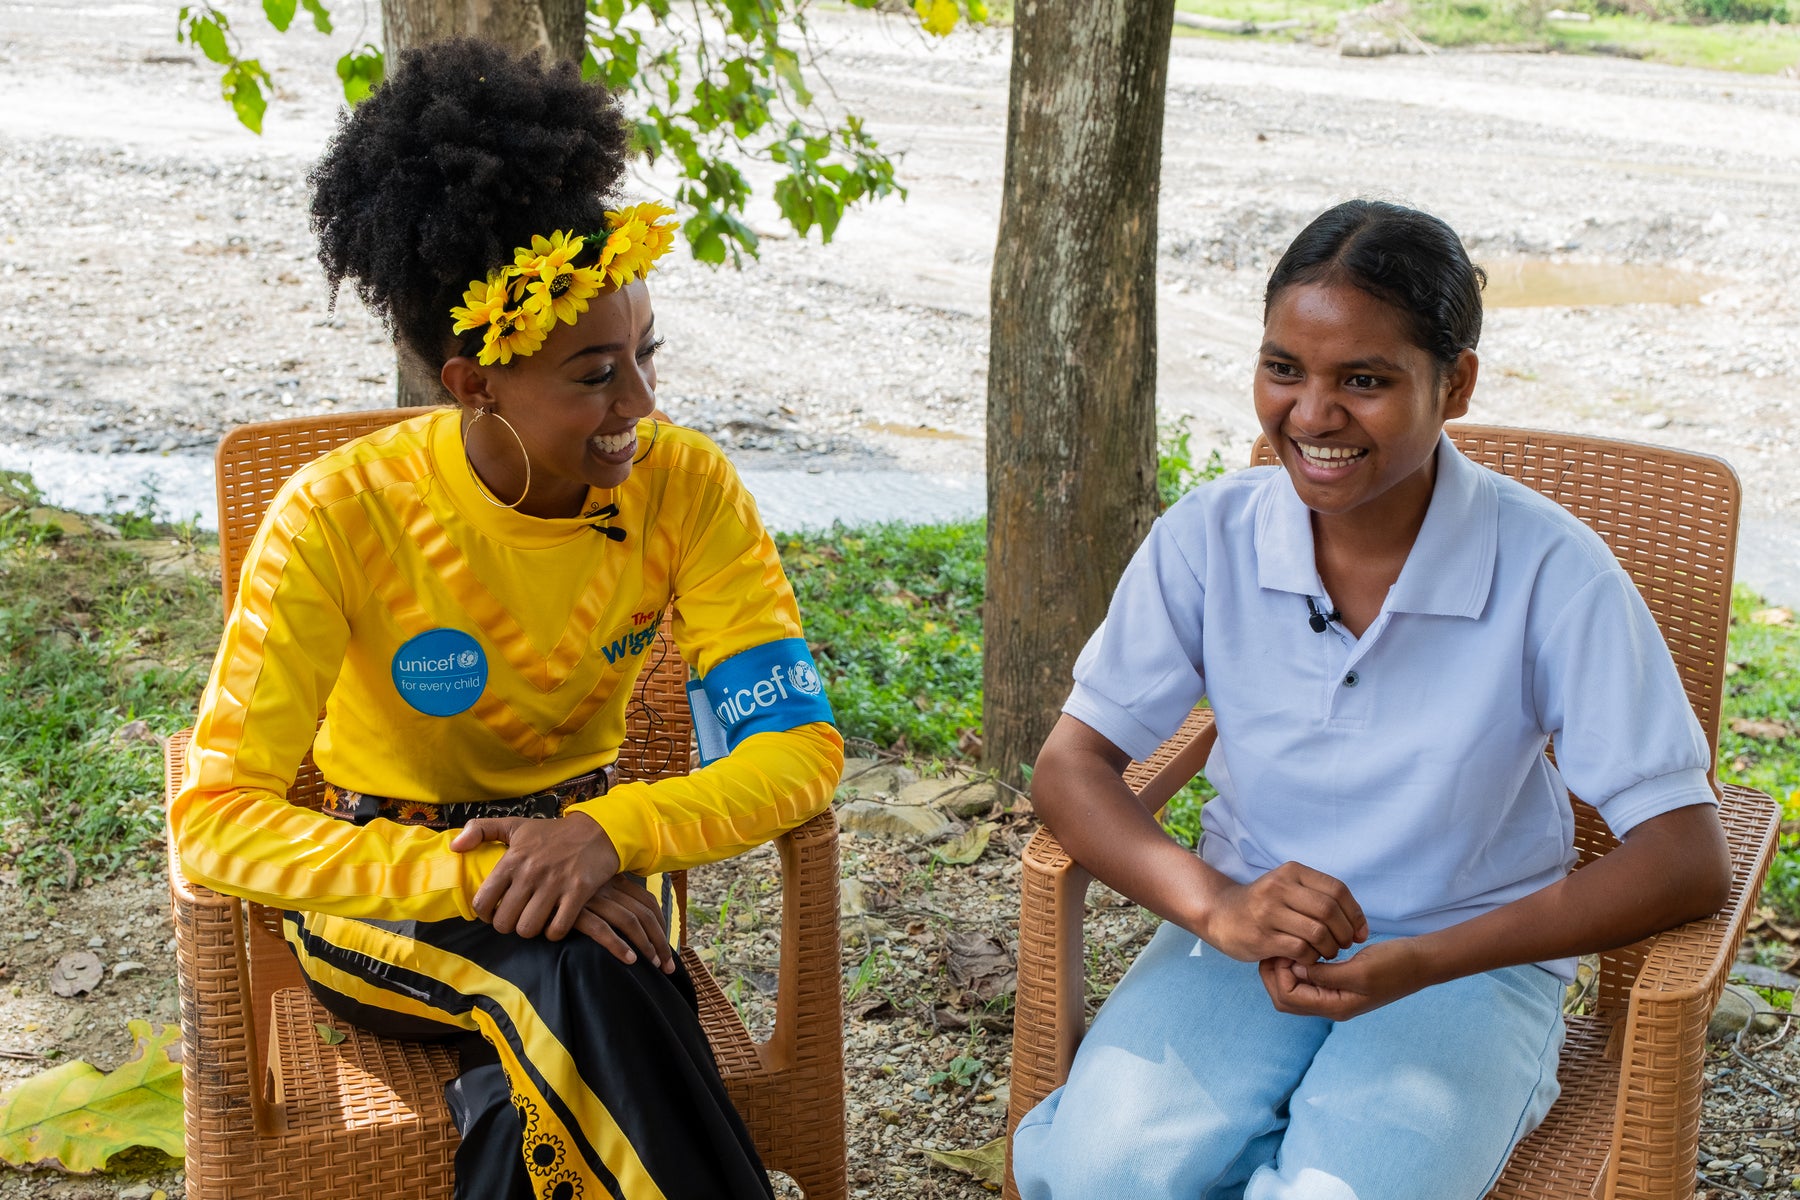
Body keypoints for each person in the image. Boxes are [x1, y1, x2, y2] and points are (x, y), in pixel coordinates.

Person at [170, 40, 843, 1200]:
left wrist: (606, 836)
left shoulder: (687, 486)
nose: (641, 406)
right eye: (594, 375)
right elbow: (219, 822)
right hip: (392, 892)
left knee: (569, 1008)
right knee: (589, 974)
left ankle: (503, 1109)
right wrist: (473, 878)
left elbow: (801, 754)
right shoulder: (337, 513)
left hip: (601, 864)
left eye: (646, 355)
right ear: (472, 381)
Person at [1009, 199, 1731, 1200]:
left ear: (1457, 383)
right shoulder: (1208, 536)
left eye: (1365, 380)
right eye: (1284, 369)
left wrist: (1426, 960)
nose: (1311, 416)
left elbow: (1686, 858)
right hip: (1244, 934)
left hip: (1471, 960)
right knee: (1104, 1178)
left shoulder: (1555, 572)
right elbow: (1071, 767)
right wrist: (1217, 906)